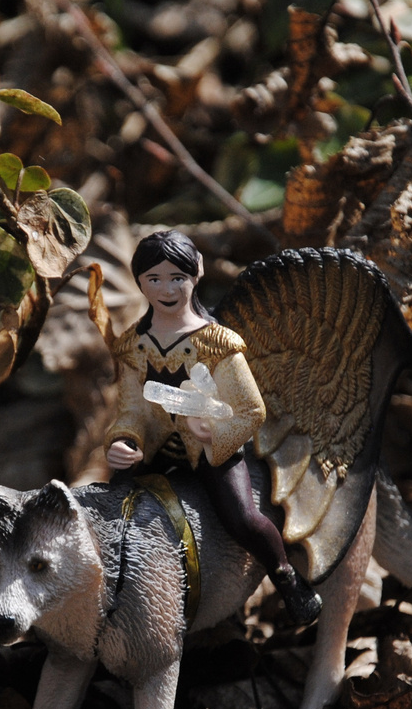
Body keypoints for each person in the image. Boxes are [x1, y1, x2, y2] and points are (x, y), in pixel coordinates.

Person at [105, 230, 323, 625]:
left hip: (209, 450)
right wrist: (125, 439)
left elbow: (251, 410)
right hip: (156, 448)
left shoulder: (219, 344)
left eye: (177, 278)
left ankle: (286, 576)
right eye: (154, 279)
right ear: (139, 281)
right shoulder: (134, 346)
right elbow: (132, 407)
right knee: (112, 500)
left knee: (243, 519)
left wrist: (213, 434)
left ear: (197, 274)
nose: (166, 289)